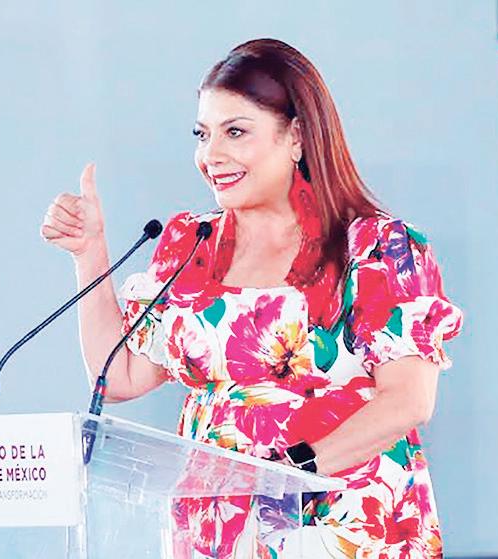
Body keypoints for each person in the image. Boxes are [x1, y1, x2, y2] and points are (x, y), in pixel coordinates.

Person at [41, 38, 463, 559]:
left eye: (235, 132)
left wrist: (290, 477)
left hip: (342, 523)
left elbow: (408, 401)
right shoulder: (191, 246)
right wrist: (90, 253)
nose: (211, 155)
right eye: (203, 134)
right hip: (217, 528)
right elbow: (121, 377)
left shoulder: (377, 248)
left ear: (297, 136)